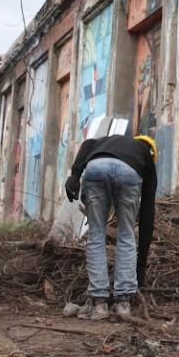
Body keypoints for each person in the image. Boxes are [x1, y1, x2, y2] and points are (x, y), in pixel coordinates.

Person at [64, 133, 158, 321]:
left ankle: (99, 304)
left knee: (96, 236)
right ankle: (123, 303)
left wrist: (75, 175)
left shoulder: (106, 141)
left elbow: (87, 143)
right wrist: (140, 269)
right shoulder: (145, 157)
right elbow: (147, 214)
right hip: (129, 174)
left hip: (96, 167)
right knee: (126, 235)